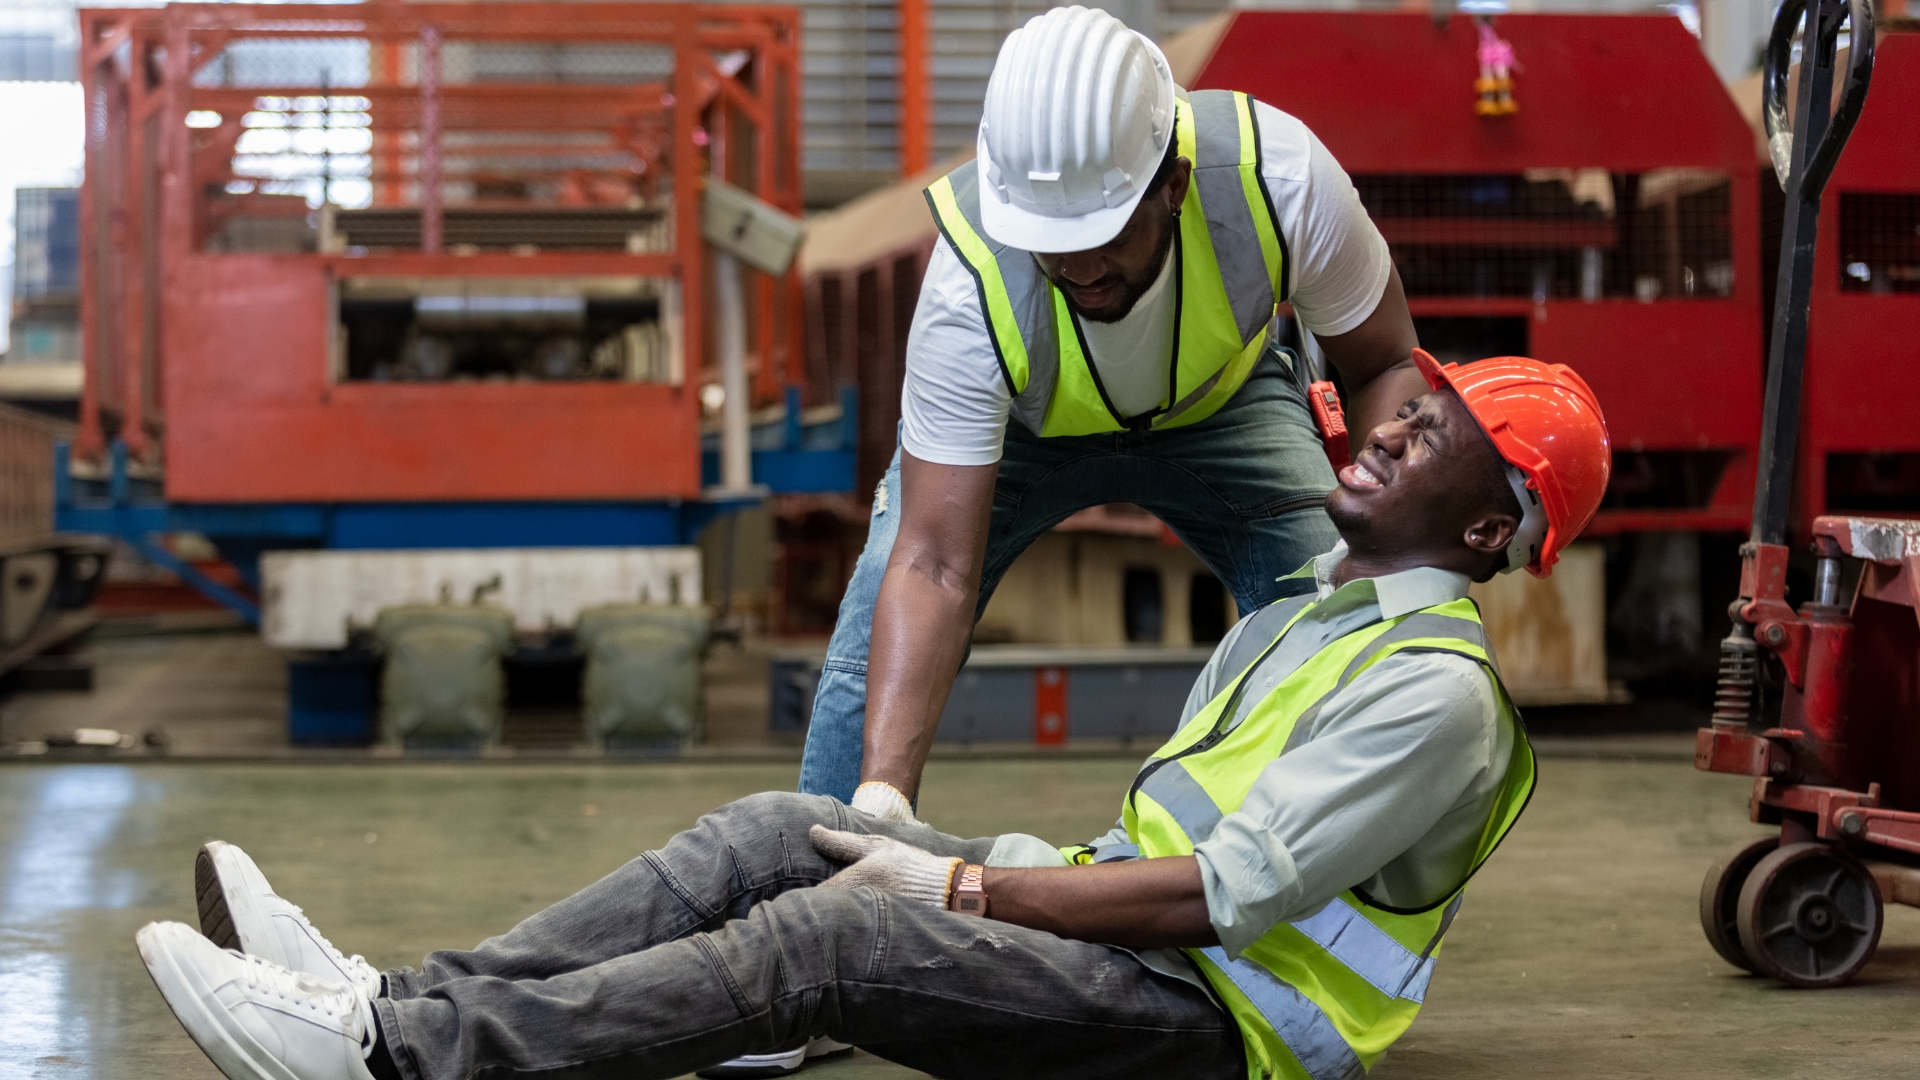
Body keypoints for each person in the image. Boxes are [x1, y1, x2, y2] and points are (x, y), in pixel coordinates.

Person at [136, 352, 1610, 1080]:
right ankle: (398, 998)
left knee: (834, 934)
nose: (1391, 428)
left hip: (1223, 1029)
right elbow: (1155, 843)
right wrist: (967, 862)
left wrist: (962, 888)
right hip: (1150, 956)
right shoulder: (1309, 614)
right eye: (1409, 408)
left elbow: (1222, 895)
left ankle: (402, 1065)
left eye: (1438, 443)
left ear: (1489, 537)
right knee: (785, 831)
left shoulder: (1434, 699)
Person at [801, 4, 1432, 824]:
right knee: (871, 653)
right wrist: (881, 802)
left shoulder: (1277, 178)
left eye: (1103, 231)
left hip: (1223, 409)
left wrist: (1386, 543)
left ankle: (1325, 856)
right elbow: (934, 566)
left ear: (1172, 183)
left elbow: (1384, 362)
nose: (1076, 262)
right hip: (1021, 438)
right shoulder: (969, 288)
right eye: (1048, 235)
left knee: (1337, 606)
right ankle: (823, 884)